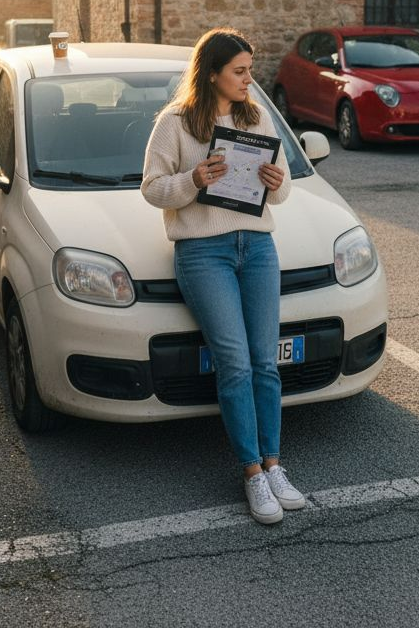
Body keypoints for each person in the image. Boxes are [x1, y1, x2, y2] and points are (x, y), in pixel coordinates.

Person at [141, 28, 303, 524]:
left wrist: (277, 181)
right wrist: (194, 179)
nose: (249, 79)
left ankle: (274, 465)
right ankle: (252, 473)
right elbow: (151, 189)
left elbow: (281, 192)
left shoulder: (256, 117)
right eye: (240, 71)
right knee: (234, 364)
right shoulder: (174, 123)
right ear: (212, 73)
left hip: (257, 248)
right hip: (202, 252)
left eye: (250, 70)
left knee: (265, 363)